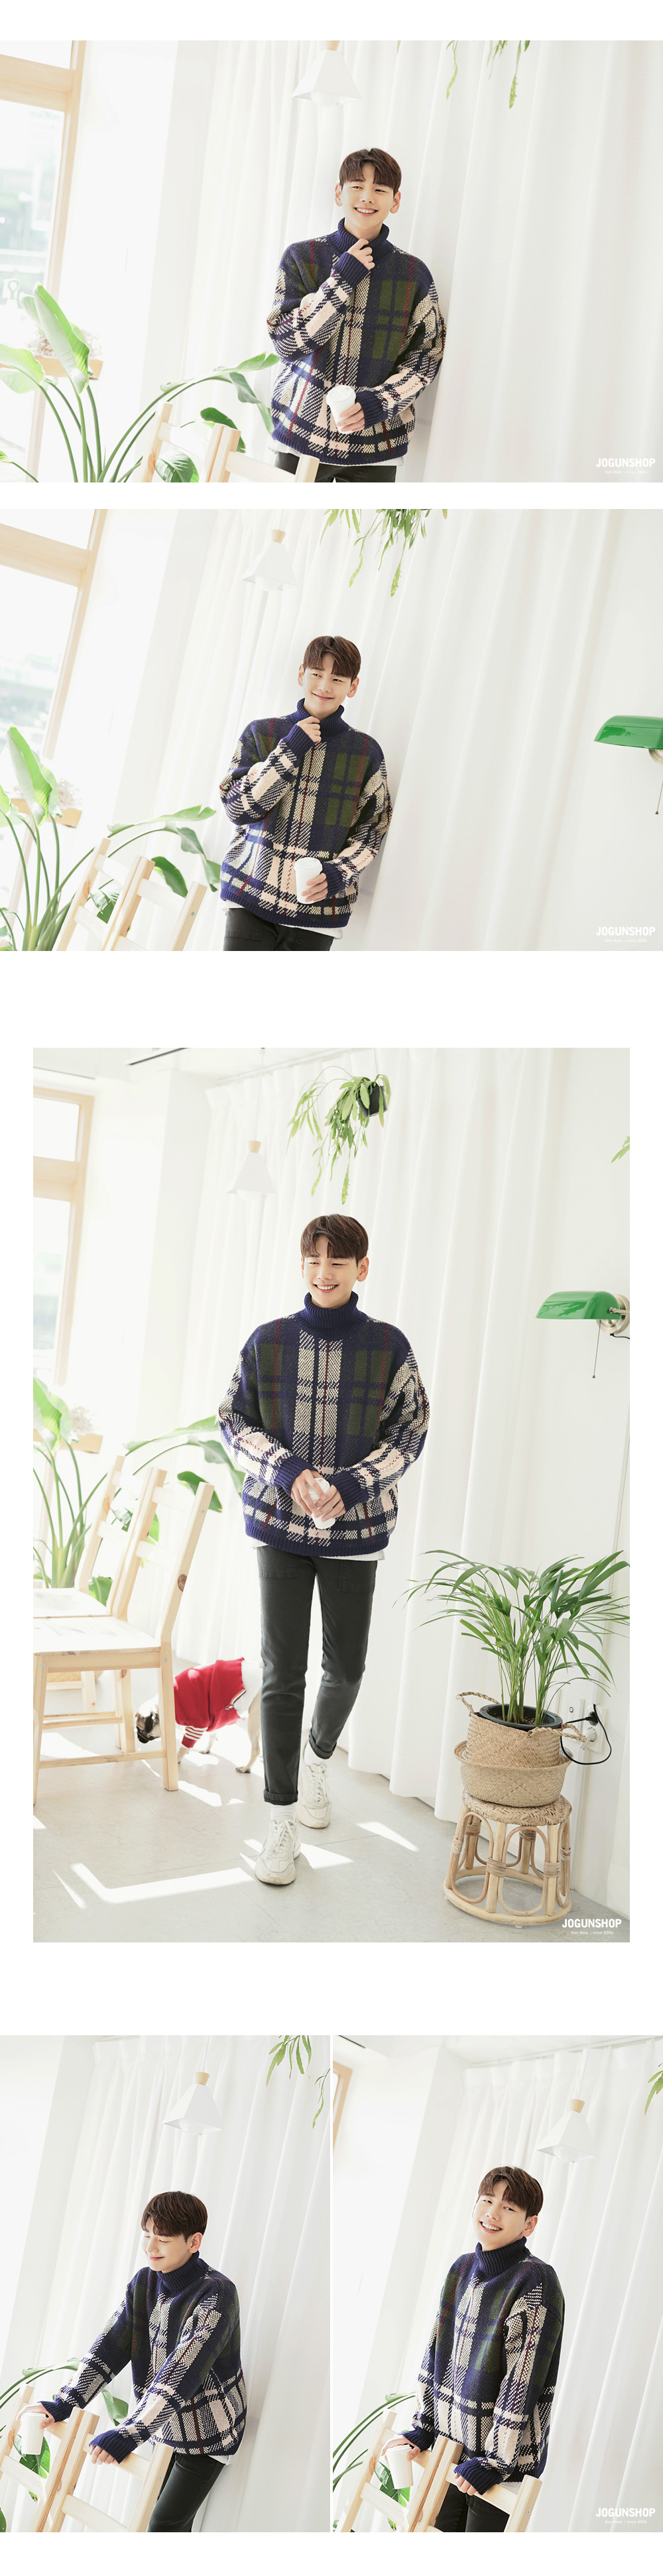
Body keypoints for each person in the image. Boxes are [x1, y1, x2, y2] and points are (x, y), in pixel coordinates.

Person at [217, 1211, 429, 1885]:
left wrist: (351, 1484)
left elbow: (410, 1430)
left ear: (362, 1268)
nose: (324, 1271)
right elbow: (233, 1419)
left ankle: (317, 1759)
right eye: (314, 1258)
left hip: (355, 1532)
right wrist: (287, 1471)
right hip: (278, 1525)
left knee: (347, 1669)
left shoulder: (389, 1346)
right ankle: (279, 1822)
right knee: (283, 1673)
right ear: (302, 1264)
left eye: (338, 1260)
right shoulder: (269, 1340)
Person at [23, 2190, 246, 2534]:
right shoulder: (145, 2282)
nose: (150, 2247)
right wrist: (65, 2402)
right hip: (163, 2423)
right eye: (147, 2235)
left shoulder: (218, 2293)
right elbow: (110, 2346)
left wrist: (130, 2432)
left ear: (194, 2242)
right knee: (164, 2524)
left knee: (163, 2525)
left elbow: (182, 2372)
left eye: (163, 2239)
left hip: (208, 2428)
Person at [386, 2168, 565, 2534]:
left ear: (529, 2225)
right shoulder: (462, 2267)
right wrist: (424, 2427)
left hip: (503, 2467)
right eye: (487, 2200)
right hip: (451, 2449)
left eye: (509, 2208)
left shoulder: (537, 2281)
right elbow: (437, 2352)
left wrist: (495, 2461)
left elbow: (522, 2383)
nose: (493, 2213)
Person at [268, 148, 444, 480]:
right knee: (286, 516)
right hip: (301, 434)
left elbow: (426, 356)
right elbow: (286, 344)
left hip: (377, 445)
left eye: (380, 189)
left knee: (366, 520)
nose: (367, 197)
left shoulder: (413, 274)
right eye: (357, 186)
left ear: (395, 201)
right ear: (339, 193)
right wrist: (343, 280)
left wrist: (379, 403)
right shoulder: (302, 257)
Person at [219, 636, 391, 950]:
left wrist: (338, 874)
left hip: (317, 914)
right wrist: (290, 750)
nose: (324, 685)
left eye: (337, 679)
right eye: (317, 673)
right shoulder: (262, 733)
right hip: (249, 896)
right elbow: (238, 810)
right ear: (302, 674)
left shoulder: (366, 752)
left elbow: (372, 830)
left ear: (352, 687)